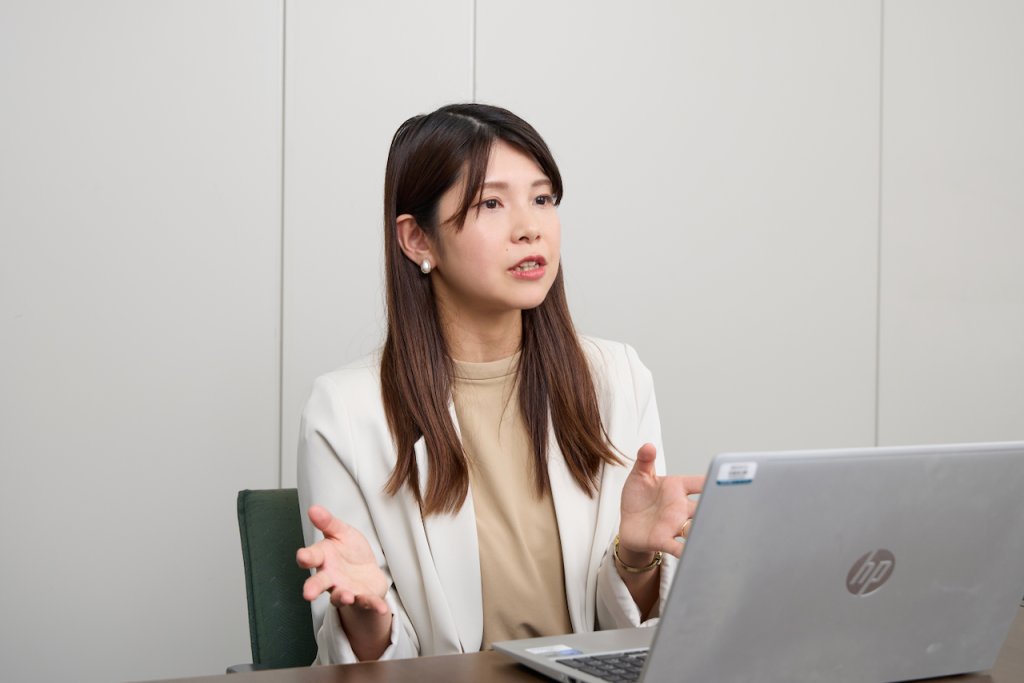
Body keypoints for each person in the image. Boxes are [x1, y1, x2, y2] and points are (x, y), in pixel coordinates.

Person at [295, 103, 705, 664]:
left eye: (542, 199)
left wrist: (635, 557)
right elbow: (382, 664)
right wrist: (368, 613)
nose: (530, 227)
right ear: (418, 240)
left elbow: (625, 641)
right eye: (491, 203)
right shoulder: (346, 411)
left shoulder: (616, 378)